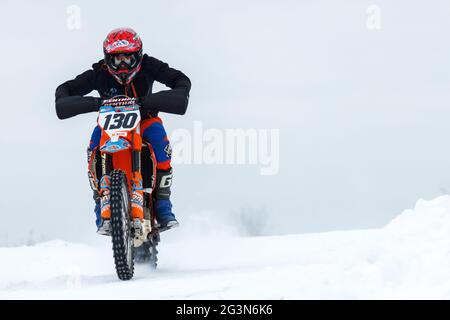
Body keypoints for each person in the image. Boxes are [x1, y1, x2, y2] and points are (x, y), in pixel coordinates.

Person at [55, 28, 191, 235]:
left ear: (138, 56)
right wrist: (95, 102)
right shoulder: (98, 72)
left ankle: (163, 205)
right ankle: (100, 204)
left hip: (144, 120)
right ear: (108, 59)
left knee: (161, 144)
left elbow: (181, 81)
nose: (123, 64)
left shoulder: (149, 65)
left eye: (128, 58)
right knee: (93, 148)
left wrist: (153, 100)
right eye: (117, 60)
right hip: (110, 126)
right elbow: (64, 91)